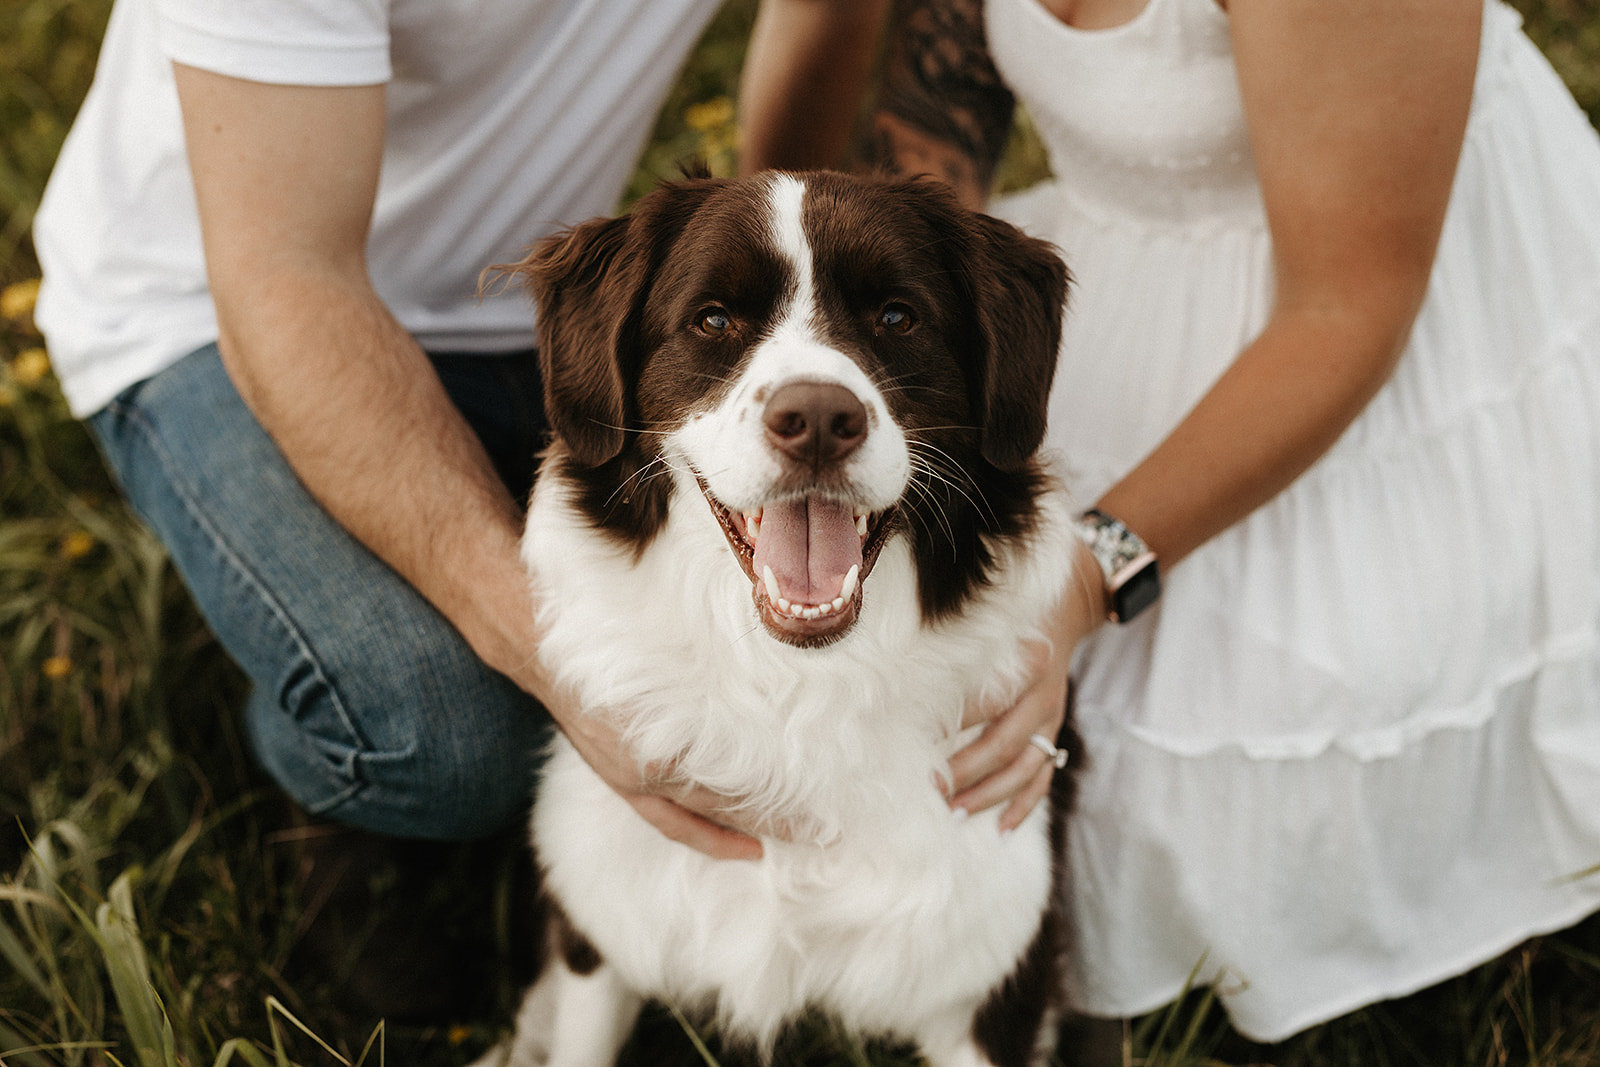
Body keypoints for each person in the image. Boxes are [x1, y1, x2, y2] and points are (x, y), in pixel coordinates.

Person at [33, 0, 1069, 1022]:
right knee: (448, 726)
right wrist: (560, 665)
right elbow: (283, 275)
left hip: (511, 315)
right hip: (221, 302)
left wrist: (781, 298)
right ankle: (341, 776)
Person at [809, 0, 1600, 1045]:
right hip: (1132, 288)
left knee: (1155, 767)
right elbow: (903, 201)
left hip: (1380, 324)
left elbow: (1348, 310)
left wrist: (1082, 577)